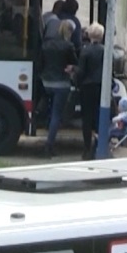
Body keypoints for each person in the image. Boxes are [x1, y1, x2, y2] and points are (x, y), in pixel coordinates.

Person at [40, 19, 78, 158]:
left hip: (46, 82)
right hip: (61, 83)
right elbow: (74, 62)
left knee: (51, 110)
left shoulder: (46, 45)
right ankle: (49, 145)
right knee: (57, 114)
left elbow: (42, 62)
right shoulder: (68, 46)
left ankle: (46, 124)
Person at [74, 23, 106, 160]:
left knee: (86, 117)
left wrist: (75, 77)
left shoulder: (85, 51)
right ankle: (99, 143)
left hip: (87, 86)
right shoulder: (105, 50)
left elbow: (81, 71)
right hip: (101, 86)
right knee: (100, 115)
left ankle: (87, 147)